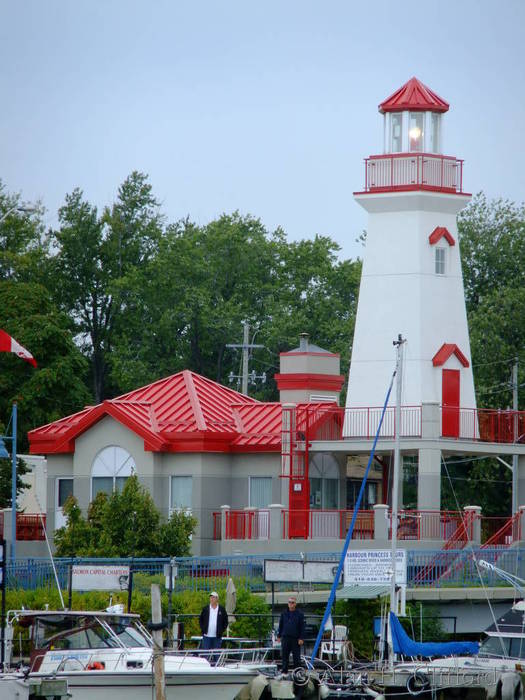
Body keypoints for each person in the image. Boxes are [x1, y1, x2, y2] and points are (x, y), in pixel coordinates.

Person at [277, 596, 305, 673]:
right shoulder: (284, 613)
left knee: (296, 657)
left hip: (295, 638)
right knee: (285, 656)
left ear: (295, 604)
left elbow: (302, 627)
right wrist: (279, 636)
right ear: (288, 603)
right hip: (285, 637)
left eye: (292, 602)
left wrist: (301, 638)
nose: (291, 604)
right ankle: (284, 672)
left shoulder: (300, 614)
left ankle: (297, 673)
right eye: (289, 602)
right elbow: (281, 625)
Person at [199, 591, 228, 663]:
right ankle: (205, 669)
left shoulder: (221, 609)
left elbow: (225, 621)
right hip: (207, 635)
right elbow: (200, 619)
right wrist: (203, 629)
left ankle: (217, 668)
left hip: (217, 636)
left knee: (216, 654)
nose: (211, 599)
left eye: (213, 597)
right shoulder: (205, 609)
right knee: (206, 654)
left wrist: (221, 630)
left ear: (217, 599)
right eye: (211, 597)